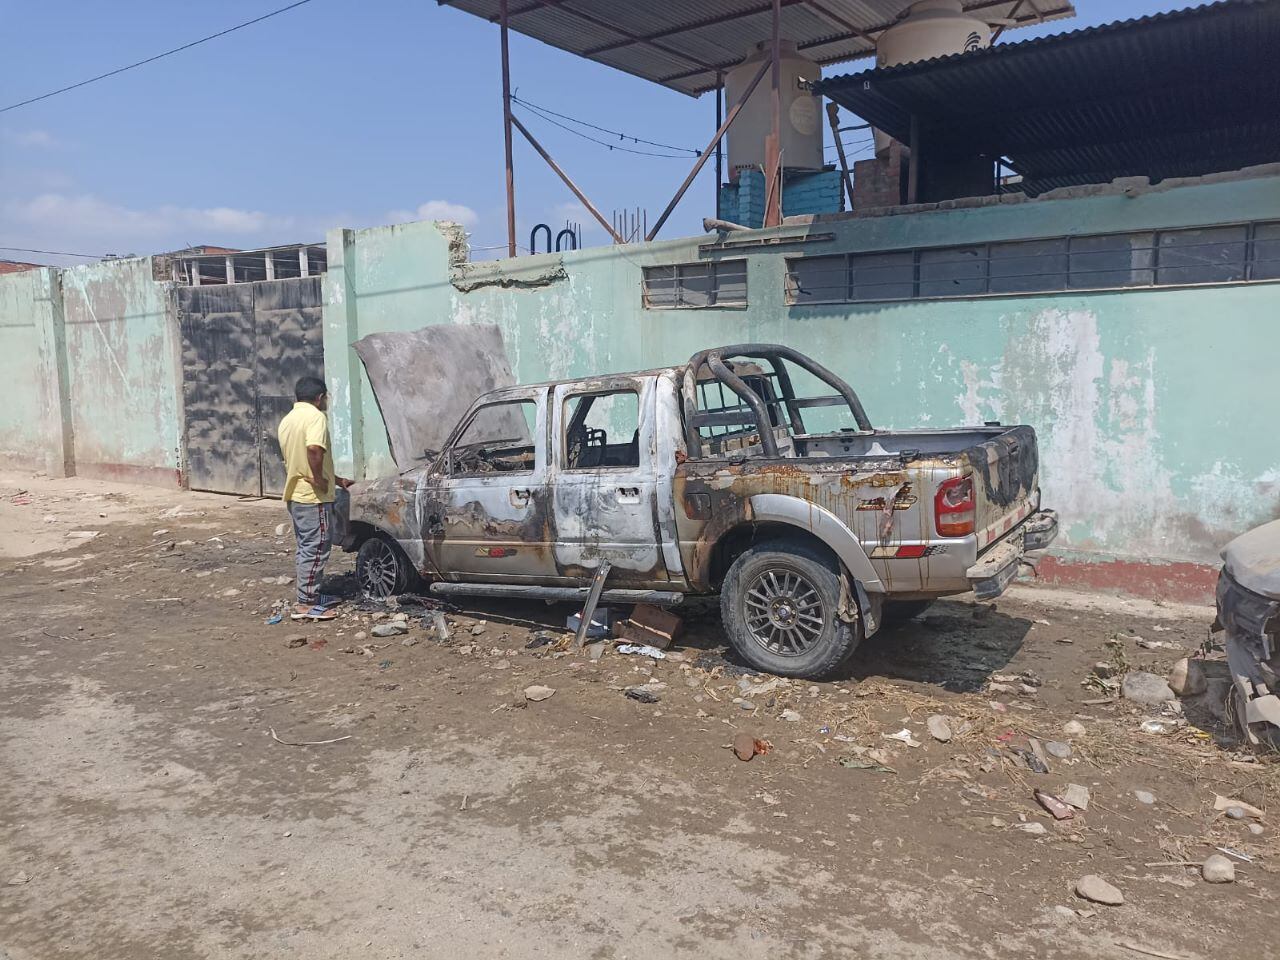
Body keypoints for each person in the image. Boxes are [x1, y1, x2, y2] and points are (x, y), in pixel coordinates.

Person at [278, 376, 352, 621]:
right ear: (320, 398)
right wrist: (320, 481)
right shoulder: (316, 417)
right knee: (317, 546)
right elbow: (313, 450)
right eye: (326, 398)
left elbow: (300, 456)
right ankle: (306, 604)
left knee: (306, 546)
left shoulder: (288, 420)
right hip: (312, 497)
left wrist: (336, 479)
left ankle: (309, 594)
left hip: (297, 494)